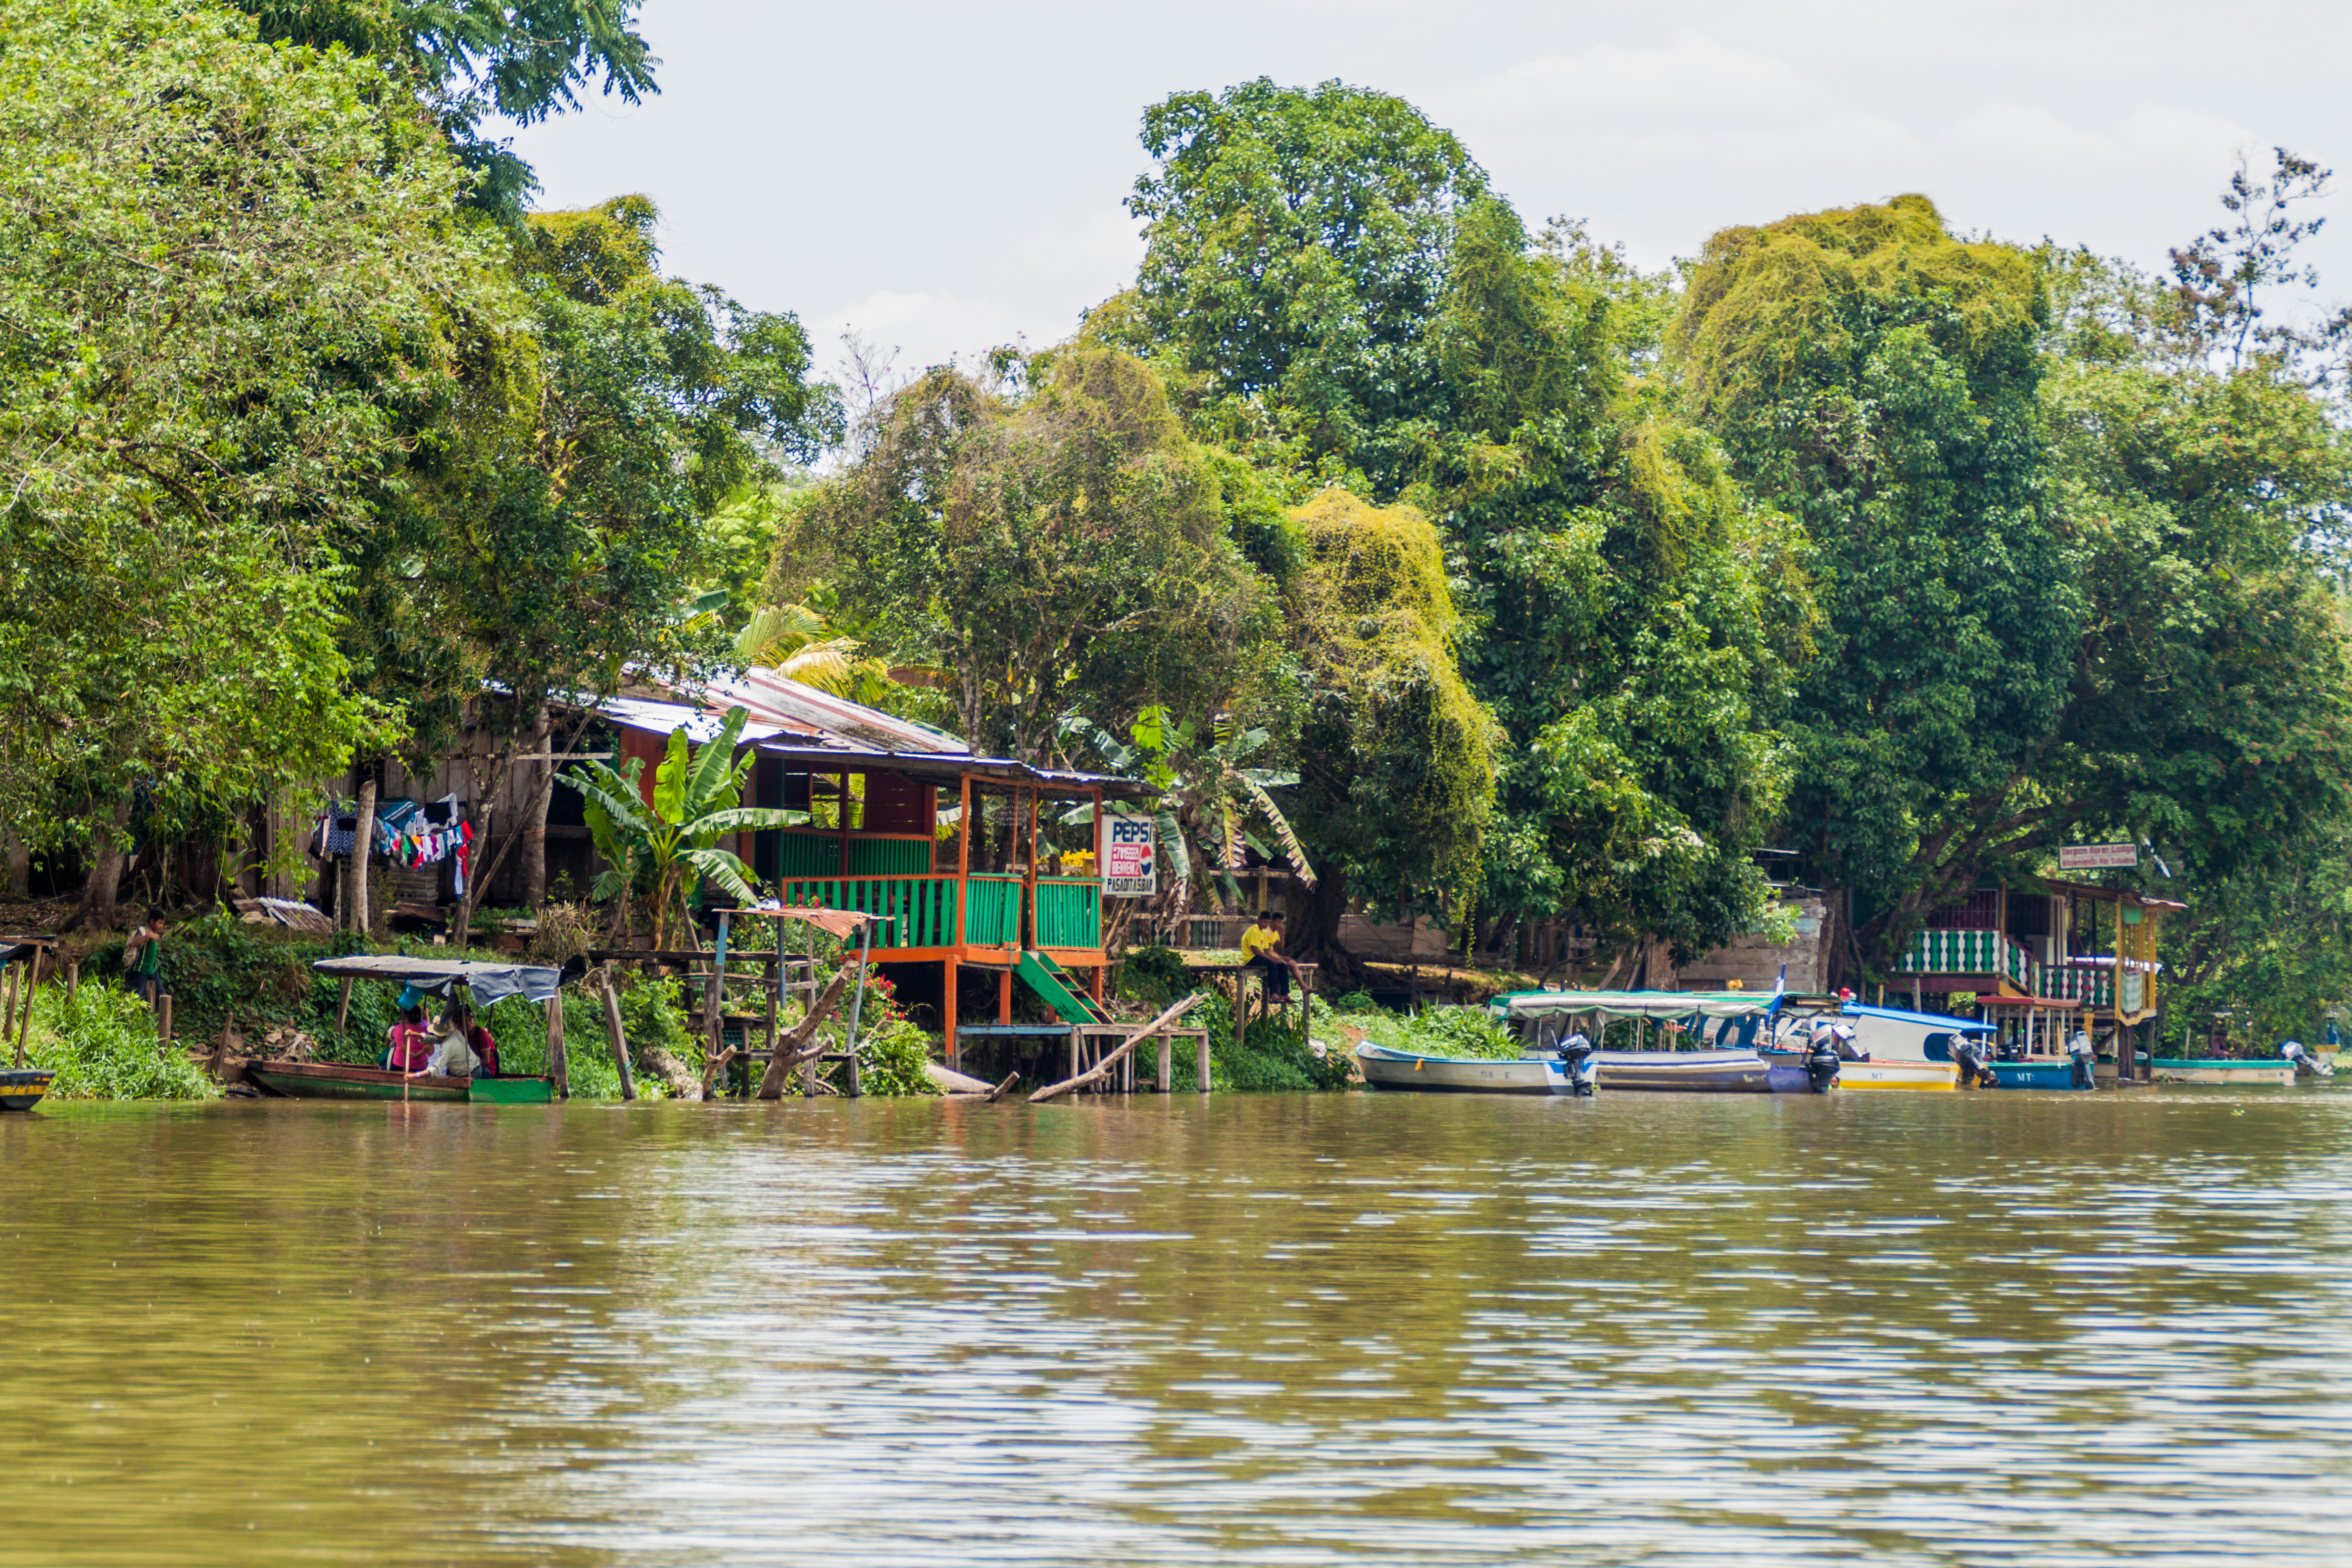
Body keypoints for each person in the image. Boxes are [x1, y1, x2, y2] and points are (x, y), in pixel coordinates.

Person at [1238, 910, 1303, 1008]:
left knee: (1282, 965)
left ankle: (1284, 993)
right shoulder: (1254, 931)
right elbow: (1256, 951)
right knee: (1272, 965)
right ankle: (1273, 994)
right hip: (1251, 959)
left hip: (1259, 957)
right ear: (1258, 920)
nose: (1266, 924)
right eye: (1264, 922)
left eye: (1268, 922)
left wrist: (1280, 959)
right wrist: (1272, 960)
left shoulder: (1263, 932)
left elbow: (1267, 949)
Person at [122, 911, 167, 1008]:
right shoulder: (145, 931)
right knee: (133, 1000)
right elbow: (133, 944)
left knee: (162, 997)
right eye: (160, 923)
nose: (162, 926)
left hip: (151, 971)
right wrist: (149, 936)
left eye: (163, 924)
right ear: (152, 921)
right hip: (141, 971)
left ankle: (159, 1020)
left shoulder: (154, 933)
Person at [383, 1006, 433, 1075]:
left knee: (383, 1067)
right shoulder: (426, 1031)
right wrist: (427, 1017)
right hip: (420, 1069)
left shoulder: (398, 1028)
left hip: (399, 1067)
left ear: (407, 1017)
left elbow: (388, 1042)